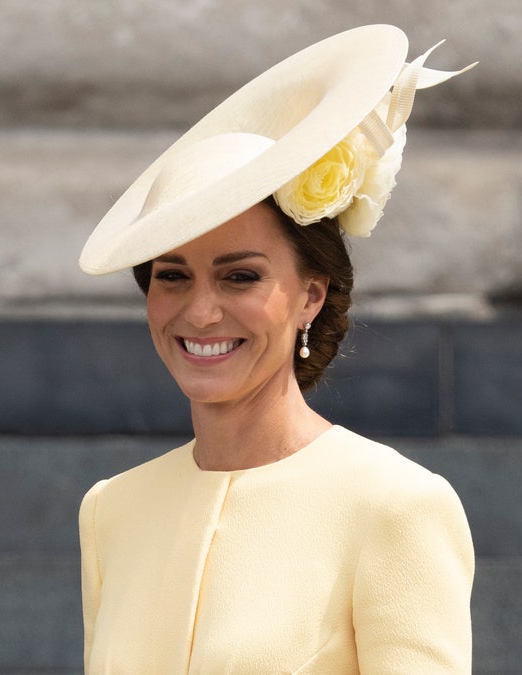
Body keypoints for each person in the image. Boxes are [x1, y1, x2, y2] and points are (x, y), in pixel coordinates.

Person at [77, 25, 476, 673]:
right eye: (172, 275)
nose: (199, 310)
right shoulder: (111, 510)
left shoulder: (395, 505)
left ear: (310, 295)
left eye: (240, 276)